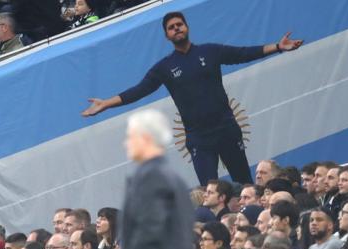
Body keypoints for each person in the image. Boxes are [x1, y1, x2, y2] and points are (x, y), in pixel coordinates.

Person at [81, 11, 303, 186]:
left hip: (226, 128)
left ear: (187, 27)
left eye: (180, 24)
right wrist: (106, 103)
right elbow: (139, 90)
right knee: (210, 191)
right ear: (167, 36)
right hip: (198, 138)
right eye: (171, 27)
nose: (176, 28)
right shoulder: (164, 67)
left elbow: (243, 53)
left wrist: (278, 47)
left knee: (244, 183)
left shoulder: (210, 51)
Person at [118, 109, 194, 249]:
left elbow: (148, 231)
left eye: (130, 137)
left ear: (145, 138)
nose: (126, 143)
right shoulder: (174, 178)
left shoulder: (151, 176)